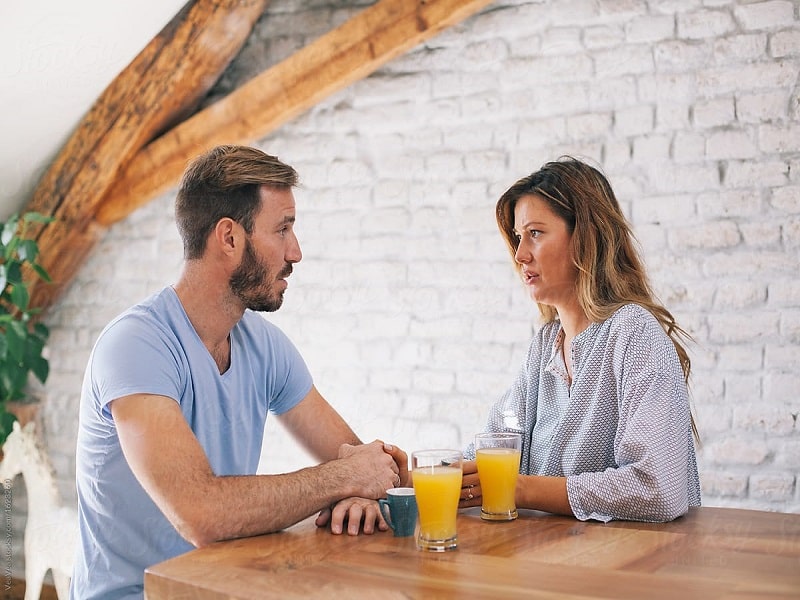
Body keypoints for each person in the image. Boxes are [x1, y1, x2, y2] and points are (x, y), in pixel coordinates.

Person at [71, 145, 408, 599]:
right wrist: (345, 479)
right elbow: (201, 515)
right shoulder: (136, 345)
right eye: (283, 229)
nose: (296, 251)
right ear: (229, 238)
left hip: (220, 589)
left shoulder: (262, 344)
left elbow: (354, 457)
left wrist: (361, 485)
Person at [459, 157, 701, 523]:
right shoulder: (544, 347)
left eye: (535, 233)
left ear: (585, 237)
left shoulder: (634, 333)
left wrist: (519, 488)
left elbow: (659, 488)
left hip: (637, 570)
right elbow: (493, 448)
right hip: (556, 562)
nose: (521, 254)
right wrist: (413, 474)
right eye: (518, 237)